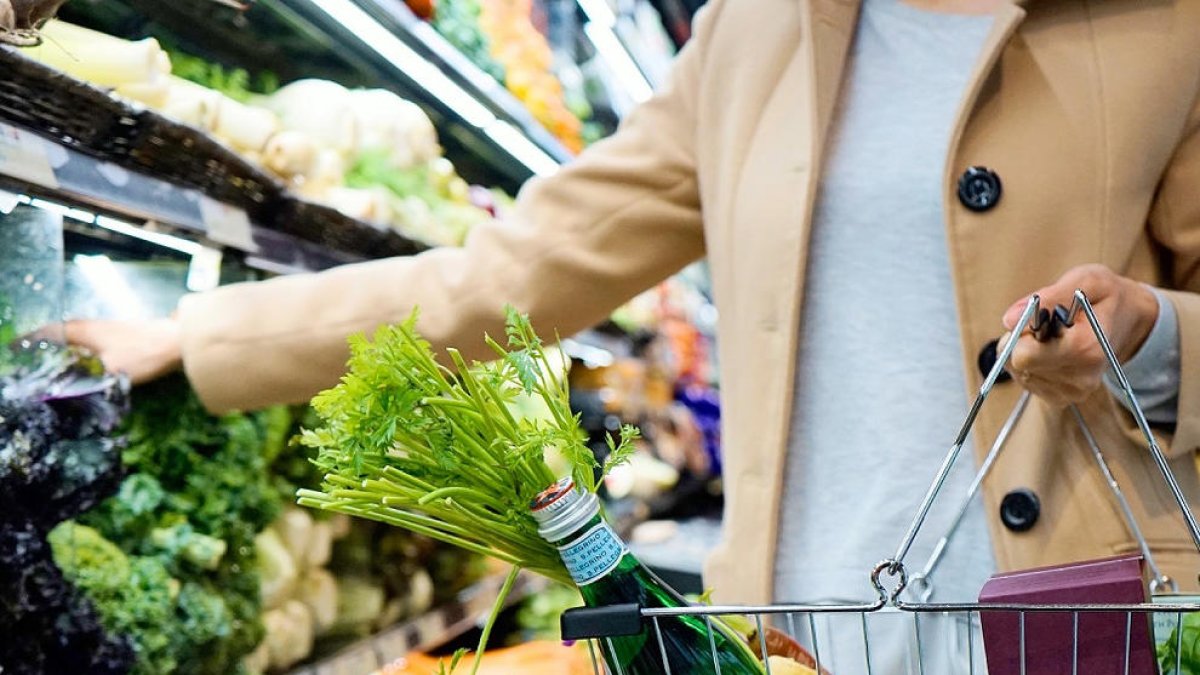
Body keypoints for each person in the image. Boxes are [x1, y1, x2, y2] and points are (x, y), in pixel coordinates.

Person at [66, 0, 1200, 671]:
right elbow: (514, 273)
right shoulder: (754, 36)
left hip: (1077, 619)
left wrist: (1146, 342)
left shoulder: (1164, 28)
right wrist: (208, 336)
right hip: (793, 625)